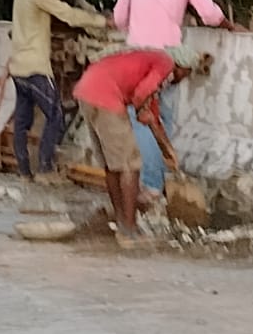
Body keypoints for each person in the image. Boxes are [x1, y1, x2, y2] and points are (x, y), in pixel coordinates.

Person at [113, 0, 242, 204]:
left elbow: (118, 19)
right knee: (162, 118)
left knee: (140, 119)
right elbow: (210, 15)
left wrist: (136, 31)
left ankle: (150, 184)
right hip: (166, 60)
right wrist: (231, 26)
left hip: (135, 58)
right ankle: (154, 184)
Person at [73, 46, 200, 249]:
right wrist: (141, 110)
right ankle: (129, 230)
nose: (184, 79)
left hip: (87, 92)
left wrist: (168, 150)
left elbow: (152, 117)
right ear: (182, 67)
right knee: (131, 165)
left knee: (112, 165)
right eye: (187, 74)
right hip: (106, 96)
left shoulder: (151, 65)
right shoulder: (164, 63)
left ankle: (122, 222)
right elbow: (141, 96)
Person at [9, 0, 108, 183]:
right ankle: (45, 170)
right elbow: (67, 15)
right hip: (35, 67)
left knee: (21, 121)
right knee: (55, 115)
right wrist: (102, 22)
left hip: (18, 67)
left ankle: (24, 171)